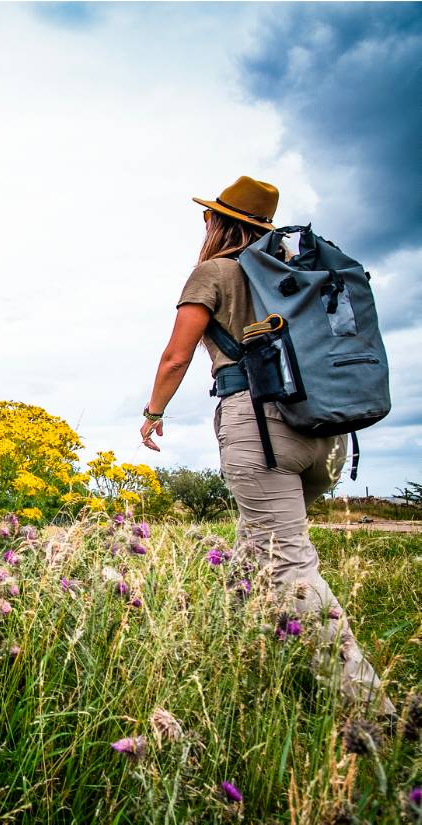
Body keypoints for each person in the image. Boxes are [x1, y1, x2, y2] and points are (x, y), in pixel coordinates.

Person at [140, 176, 394, 715]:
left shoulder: (215, 272)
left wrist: (153, 413)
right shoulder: (291, 277)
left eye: (208, 216)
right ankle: (236, 657)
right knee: (254, 549)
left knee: (288, 566)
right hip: (326, 435)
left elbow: (176, 357)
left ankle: (375, 712)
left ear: (217, 222)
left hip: (261, 427)